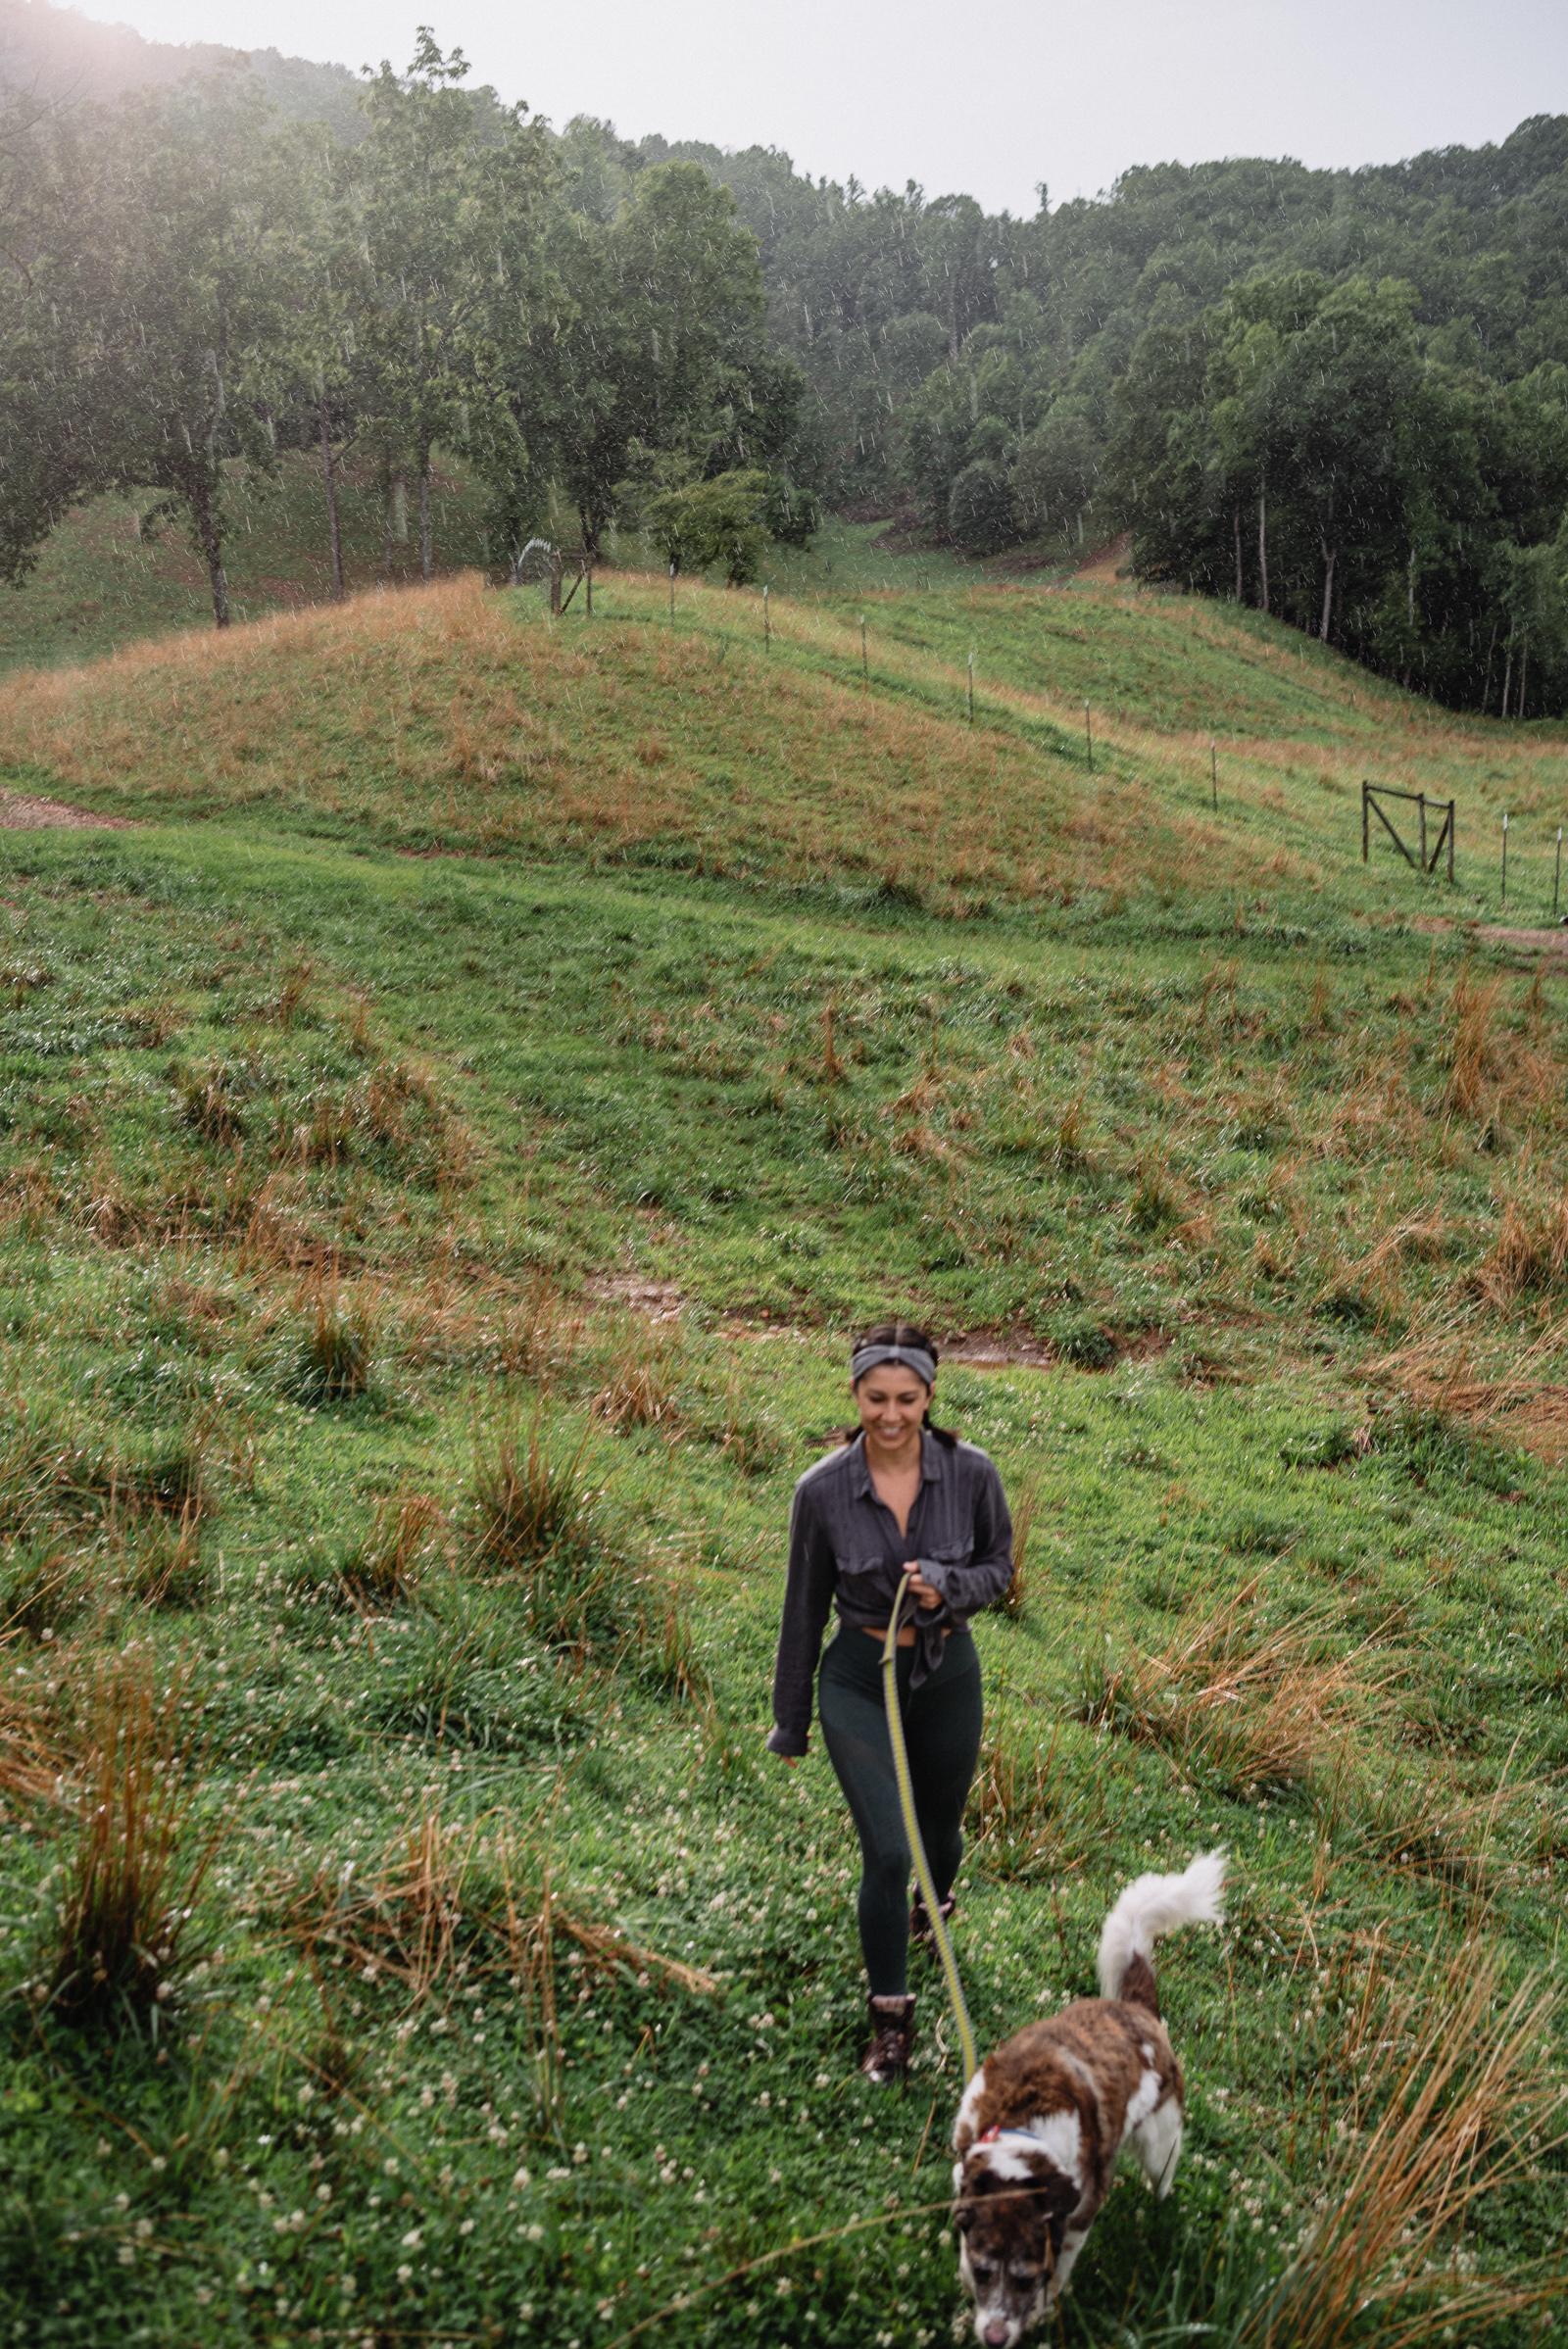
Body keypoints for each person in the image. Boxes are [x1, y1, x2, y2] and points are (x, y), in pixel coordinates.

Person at [767, 1319, 1014, 2082]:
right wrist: (791, 1717)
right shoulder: (822, 1489)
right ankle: (890, 2024)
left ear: (930, 1396)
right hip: (856, 1676)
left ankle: (933, 1904)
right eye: (876, 1397)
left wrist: (952, 1583)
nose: (891, 1414)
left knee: (939, 1838)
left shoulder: (972, 1473)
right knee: (887, 1848)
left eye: (907, 1398)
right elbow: (802, 1609)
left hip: (945, 1670)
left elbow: (1001, 1566)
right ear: (856, 1393)